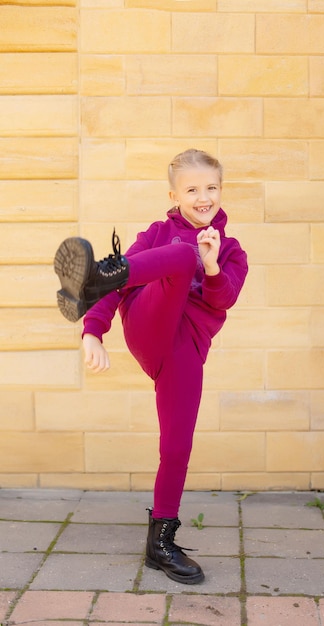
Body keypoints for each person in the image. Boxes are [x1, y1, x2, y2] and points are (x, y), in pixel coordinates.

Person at [54, 149, 248, 584]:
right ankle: (92, 280)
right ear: (174, 194)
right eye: (192, 189)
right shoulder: (159, 233)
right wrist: (93, 330)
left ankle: (160, 542)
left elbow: (224, 299)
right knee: (178, 255)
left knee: (177, 446)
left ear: (221, 191)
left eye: (211, 188)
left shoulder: (233, 251)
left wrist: (213, 264)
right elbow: (117, 288)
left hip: (185, 349)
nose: (203, 197)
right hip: (148, 323)